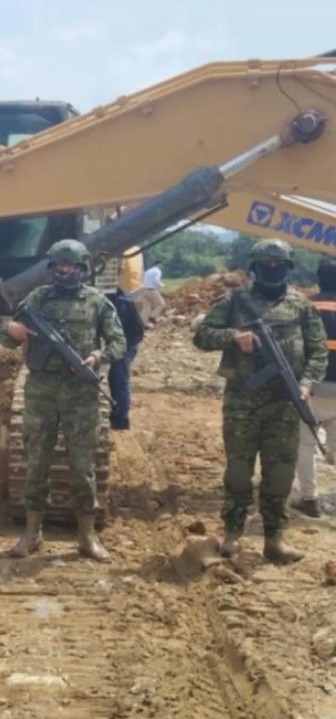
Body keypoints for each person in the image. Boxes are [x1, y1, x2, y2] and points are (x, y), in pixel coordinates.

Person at [193, 238, 327, 564]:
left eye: (279, 265)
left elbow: (318, 351)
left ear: (288, 267)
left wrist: (306, 384)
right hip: (242, 401)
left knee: (280, 474)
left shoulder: (301, 305)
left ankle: (275, 539)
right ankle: (232, 534)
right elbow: (202, 335)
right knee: (239, 472)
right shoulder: (234, 301)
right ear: (254, 268)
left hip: (285, 403)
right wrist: (233, 336)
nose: (273, 269)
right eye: (267, 265)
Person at [2, 239, 126, 562]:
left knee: (83, 466)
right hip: (41, 390)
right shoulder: (36, 300)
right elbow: (7, 338)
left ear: (82, 268)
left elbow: (118, 342)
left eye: (69, 265)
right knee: (36, 462)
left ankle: (87, 536)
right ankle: (32, 533)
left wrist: (97, 357)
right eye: (59, 265)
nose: (64, 270)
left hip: (80, 393)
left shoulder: (97, 302)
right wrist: (11, 331)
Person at [294, 254, 336, 518]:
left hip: (312, 387)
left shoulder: (305, 307)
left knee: (305, 444)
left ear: (318, 279)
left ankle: (310, 499)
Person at [107, 286, 145, 430]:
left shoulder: (123, 303)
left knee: (119, 377)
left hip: (125, 344)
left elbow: (137, 331)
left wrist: (123, 348)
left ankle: (120, 416)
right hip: (113, 343)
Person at [131, 259, 166, 327]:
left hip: (145, 291)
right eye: (161, 265)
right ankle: (152, 316)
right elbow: (156, 280)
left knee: (146, 308)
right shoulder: (158, 271)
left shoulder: (148, 271)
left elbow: (144, 280)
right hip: (152, 290)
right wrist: (161, 285)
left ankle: (143, 324)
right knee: (161, 304)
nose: (161, 267)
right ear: (159, 265)